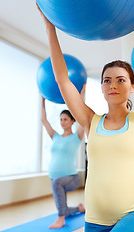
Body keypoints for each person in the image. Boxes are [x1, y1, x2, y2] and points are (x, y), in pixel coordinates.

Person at [37, 0, 134, 231]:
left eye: (121, 80)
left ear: (132, 87)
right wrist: (50, 29)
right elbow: (62, 80)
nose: (113, 85)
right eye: (107, 81)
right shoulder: (90, 122)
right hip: (94, 222)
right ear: (101, 87)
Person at [41, 96, 85, 229]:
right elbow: (43, 120)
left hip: (71, 178)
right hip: (54, 178)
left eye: (65, 119)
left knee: (57, 183)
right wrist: (42, 100)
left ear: (72, 121)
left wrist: (81, 94)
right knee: (64, 209)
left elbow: (82, 116)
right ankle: (78, 208)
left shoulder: (76, 136)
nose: (62, 122)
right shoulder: (55, 136)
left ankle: (60, 219)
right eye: (61, 119)